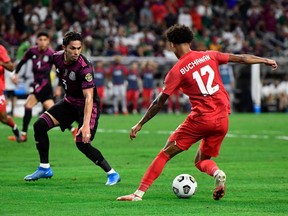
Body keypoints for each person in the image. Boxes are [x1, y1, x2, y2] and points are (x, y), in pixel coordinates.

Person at [116, 24, 277, 201]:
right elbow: (241, 58)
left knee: (165, 153)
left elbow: (159, 102)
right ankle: (217, 173)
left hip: (201, 119)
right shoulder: (210, 55)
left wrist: (140, 123)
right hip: (222, 119)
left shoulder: (176, 71)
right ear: (190, 41)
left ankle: (138, 194)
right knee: (201, 161)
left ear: (171, 45)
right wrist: (264, 60)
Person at [23, 32, 121, 186]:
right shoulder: (56, 57)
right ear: (64, 48)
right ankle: (45, 168)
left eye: (79, 48)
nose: (76, 52)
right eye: (72, 48)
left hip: (88, 107)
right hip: (69, 103)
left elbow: (89, 98)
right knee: (39, 125)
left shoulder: (84, 67)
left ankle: (112, 173)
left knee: (82, 142)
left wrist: (86, 124)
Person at [8, 31, 77, 142]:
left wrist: (59, 87)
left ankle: (24, 134)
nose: (42, 42)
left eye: (45, 40)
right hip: (37, 84)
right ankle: (73, 129)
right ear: (36, 41)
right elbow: (22, 62)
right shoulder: (32, 51)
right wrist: (15, 73)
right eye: (40, 40)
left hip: (44, 85)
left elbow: (59, 70)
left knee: (28, 106)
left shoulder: (52, 54)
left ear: (48, 41)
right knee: (55, 112)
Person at [0, 44, 22, 141]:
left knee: (4, 118)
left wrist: (1, 63)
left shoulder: (0, 49)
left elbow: (11, 67)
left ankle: (15, 128)